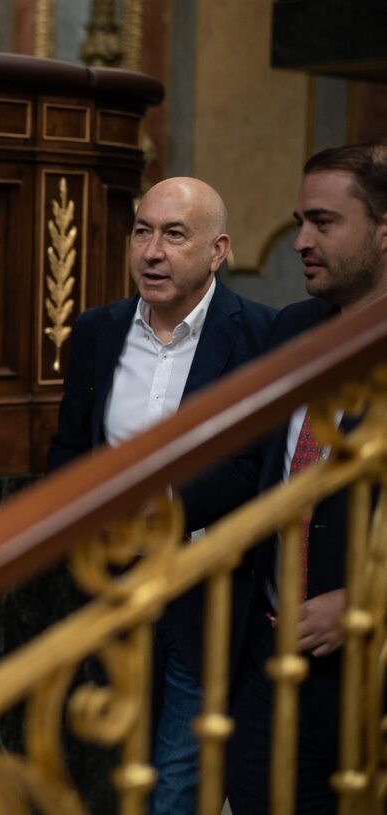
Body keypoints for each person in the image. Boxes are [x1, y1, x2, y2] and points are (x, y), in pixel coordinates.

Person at [47, 176, 275, 814]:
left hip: (208, 589)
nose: (151, 252)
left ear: (218, 250)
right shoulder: (97, 331)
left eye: (174, 235)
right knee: (123, 771)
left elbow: (257, 465)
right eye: (142, 232)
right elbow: (70, 453)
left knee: (177, 784)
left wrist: (166, 505)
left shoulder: (260, 335)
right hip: (114, 587)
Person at [225, 140, 387, 815]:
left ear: (384, 230)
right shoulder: (293, 328)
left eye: (323, 222)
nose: (300, 242)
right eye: (299, 222)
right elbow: (257, 464)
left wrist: (368, 601)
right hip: (268, 650)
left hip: (369, 669)